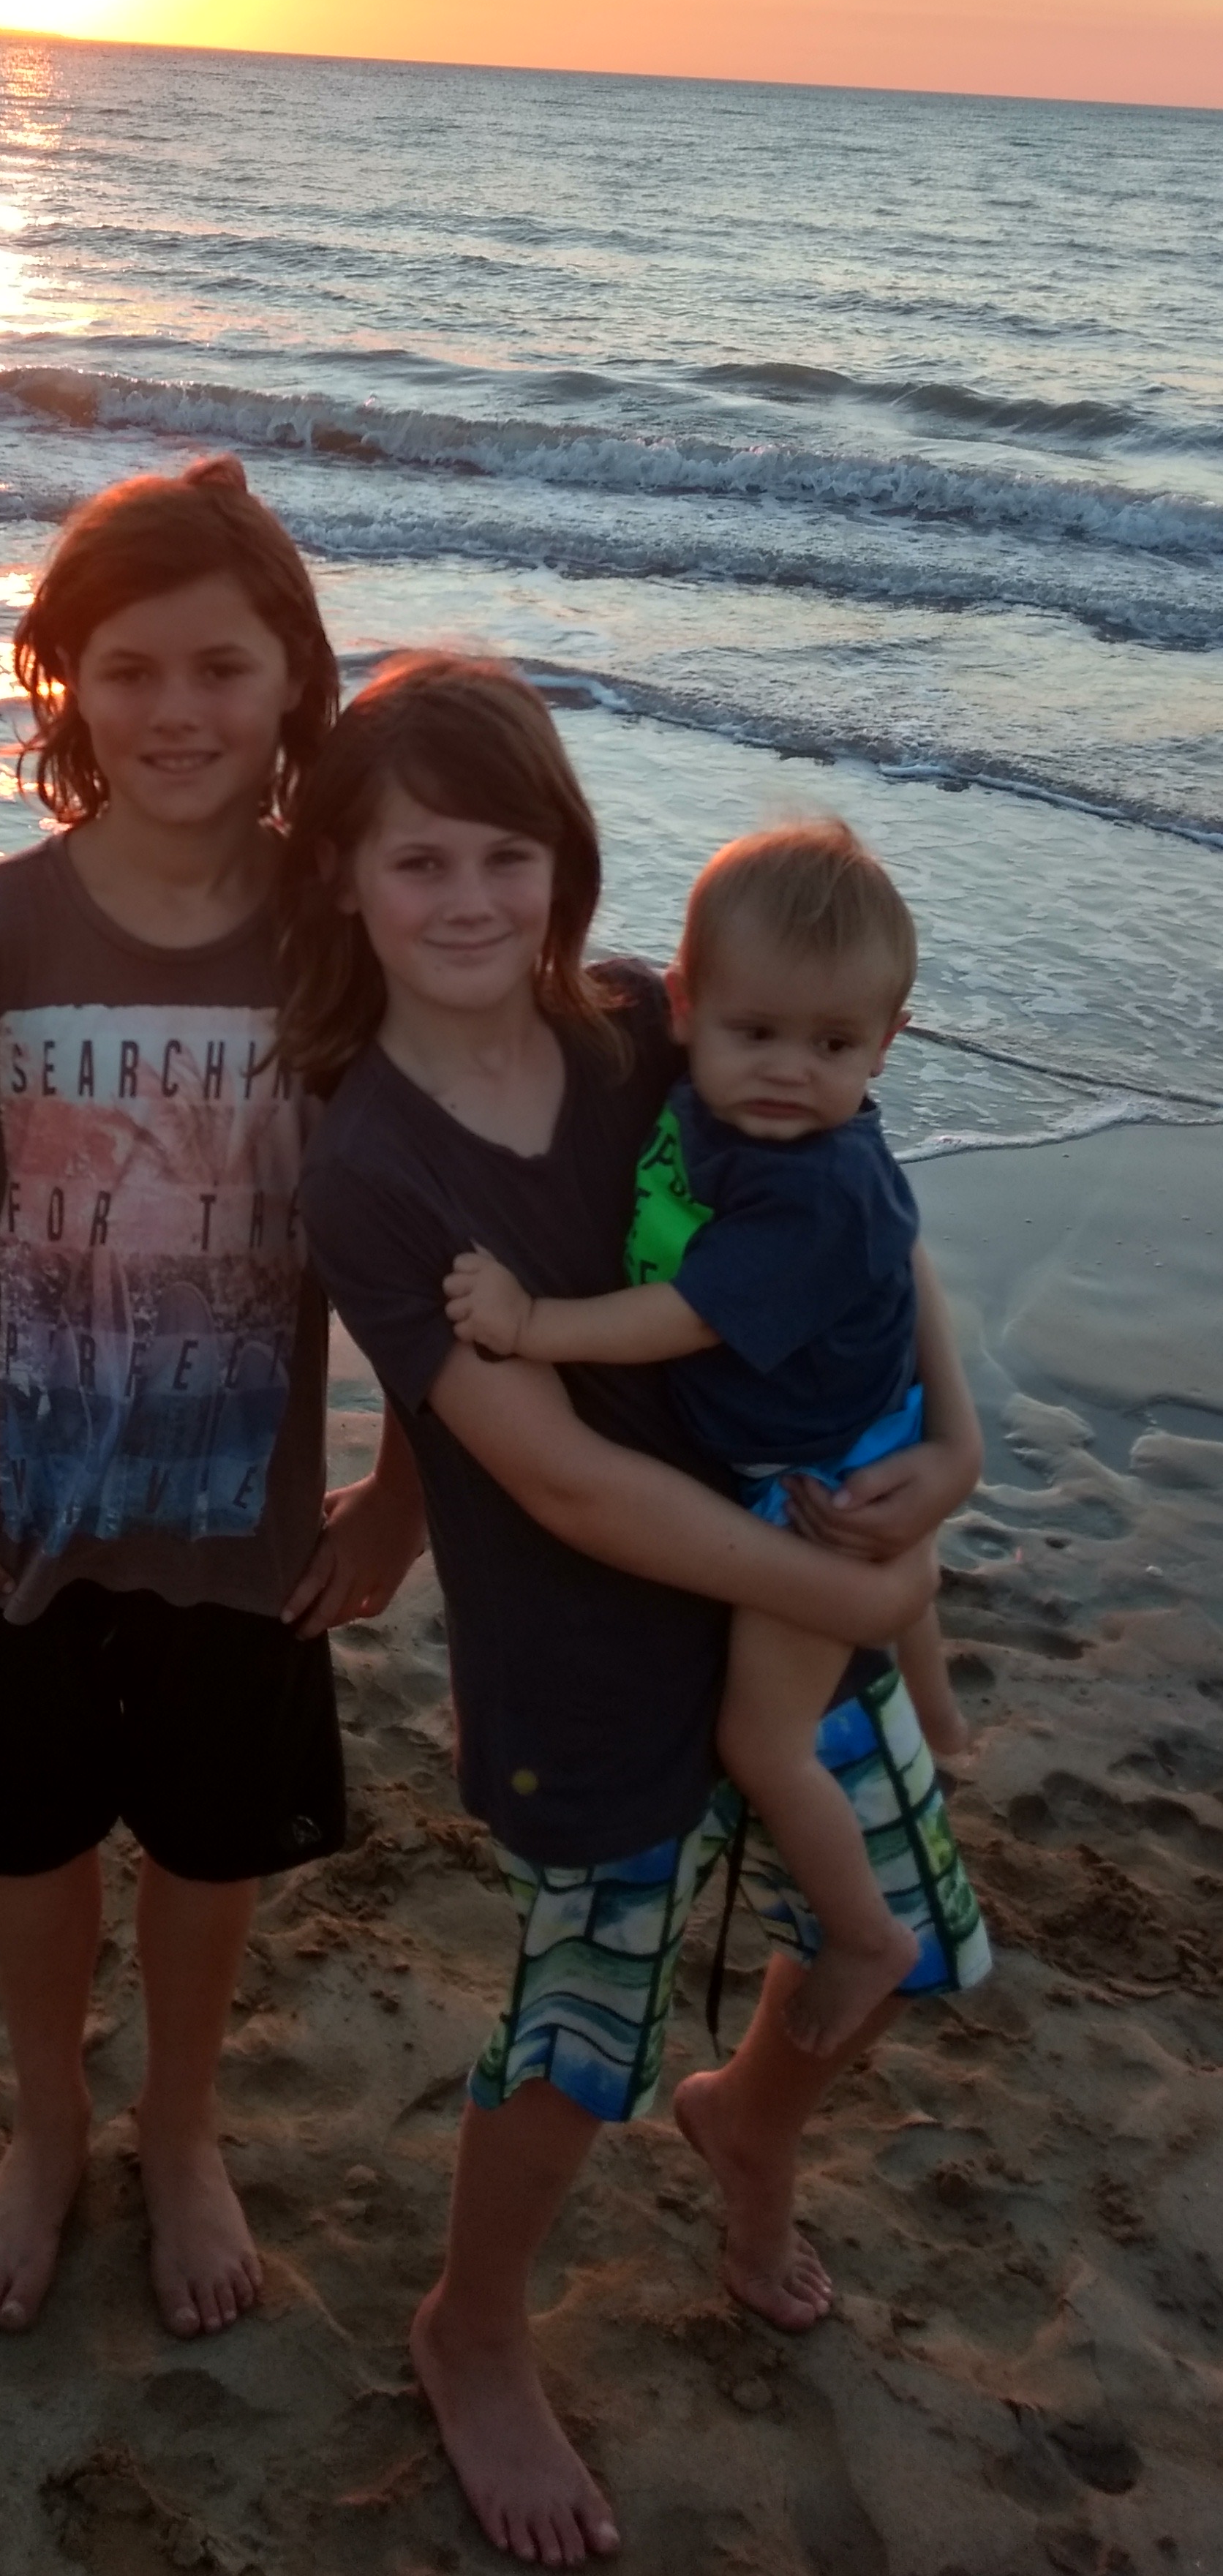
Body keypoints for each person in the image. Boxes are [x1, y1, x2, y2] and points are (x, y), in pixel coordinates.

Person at [285, 656, 989, 2569]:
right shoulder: (370, 1164)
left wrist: (954, 1445)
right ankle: (473, 2325)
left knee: (896, 1944)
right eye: (419, 859)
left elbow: (856, 1214)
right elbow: (566, 1481)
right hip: (594, 1648)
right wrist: (876, 1582)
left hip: (796, 1579)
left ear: (570, 863)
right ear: (343, 874)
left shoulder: (645, 1025)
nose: (469, 900)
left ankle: (752, 2122)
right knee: (581, 2039)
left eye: (507, 854)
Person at [0, 458, 424, 2344]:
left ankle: (183, 2127)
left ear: (295, 679)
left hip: (252, 1540)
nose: (177, 711)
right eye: (129, 668)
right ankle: (51, 2125)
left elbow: (431, 1247)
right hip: (16, 1534)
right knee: (35, 1848)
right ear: (61, 679)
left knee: (215, 1856)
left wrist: (401, 1500)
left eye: (222, 668)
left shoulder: (345, 941)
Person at [445, 820, 970, 2062]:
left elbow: (681, 1316)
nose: (789, 1071)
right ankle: (943, 1720)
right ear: (686, 1009)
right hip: (849, 1419)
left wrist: (532, 1324)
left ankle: (864, 1935)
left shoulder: (809, 1185)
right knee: (892, 1619)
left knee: (764, 1741)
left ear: (885, 1045)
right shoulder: (738, 1111)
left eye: (832, 1046)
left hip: (814, 1482)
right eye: (758, 1033)